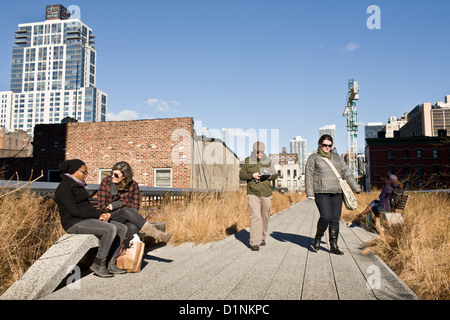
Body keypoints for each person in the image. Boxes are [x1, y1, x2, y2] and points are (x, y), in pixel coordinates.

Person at [54, 159, 127, 278]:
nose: (86, 175)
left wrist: (102, 213)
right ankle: (98, 264)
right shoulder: (64, 188)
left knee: (121, 228)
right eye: (84, 172)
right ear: (74, 171)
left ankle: (111, 263)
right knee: (110, 229)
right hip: (74, 223)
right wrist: (98, 215)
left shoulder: (78, 185)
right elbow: (74, 211)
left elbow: (86, 207)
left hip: (85, 219)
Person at [305, 135, 361, 255]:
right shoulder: (313, 158)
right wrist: (310, 193)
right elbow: (309, 175)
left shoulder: (336, 158)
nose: (327, 147)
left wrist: (356, 188)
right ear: (320, 144)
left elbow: (347, 173)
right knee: (326, 217)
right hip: (321, 191)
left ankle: (333, 246)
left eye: (329, 145)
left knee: (335, 219)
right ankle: (318, 237)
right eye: (325, 145)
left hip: (337, 192)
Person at [97, 161, 172, 247]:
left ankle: (130, 255)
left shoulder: (133, 185)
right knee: (125, 211)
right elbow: (102, 207)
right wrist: (122, 204)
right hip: (109, 218)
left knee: (132, 226)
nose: (112, 176)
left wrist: (117, 205)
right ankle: (157, 235)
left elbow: (135, 208)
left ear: (124, 176)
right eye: (112, 173)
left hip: (128, 218)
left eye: (116, 175)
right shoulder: (106, 183)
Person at [239, 141, 278, 251]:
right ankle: (255, 242)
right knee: (255, 216)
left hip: (266, 193)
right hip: (253, 193)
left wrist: (269, 176)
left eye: (261, 152)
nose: (259, 154)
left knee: (264, 216)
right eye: (257, 152)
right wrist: (252, 175)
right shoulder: (247, 161)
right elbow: (241, 175)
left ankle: (262, 237)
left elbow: (275, 175)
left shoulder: (268, 161)